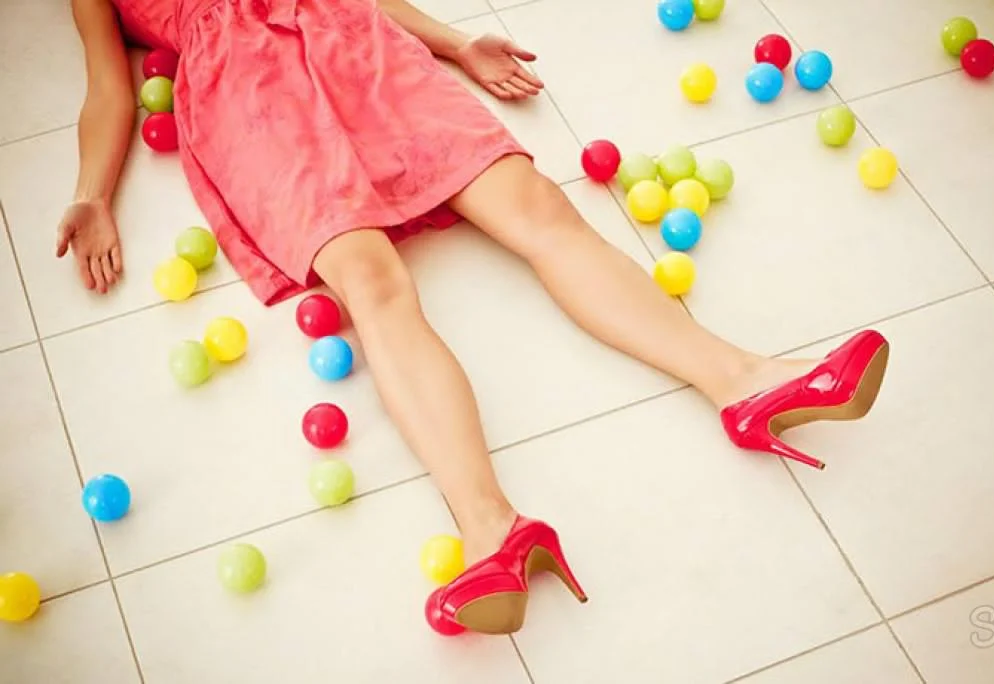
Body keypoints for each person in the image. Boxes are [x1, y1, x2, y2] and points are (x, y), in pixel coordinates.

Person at [64, 0, 890, 636]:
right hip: (246, 94)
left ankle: (746, 382)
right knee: (370, 282)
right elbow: (108, 86)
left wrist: (455, 44)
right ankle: (490, 531)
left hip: (351, 43)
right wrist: (92, 195)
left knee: (539, 206)